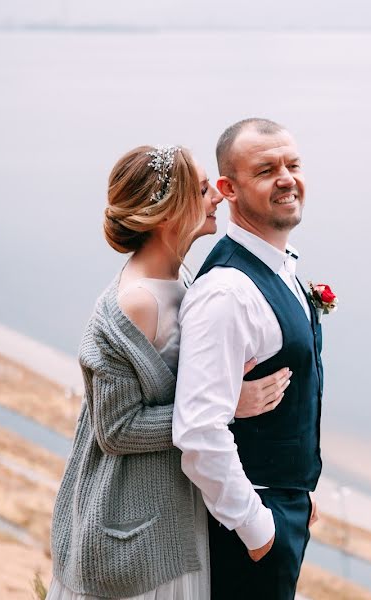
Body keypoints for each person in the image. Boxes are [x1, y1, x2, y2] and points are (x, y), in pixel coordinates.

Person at [48, 144, 291, 600]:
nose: (216, 196)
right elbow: (115, 430)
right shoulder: (136, 303)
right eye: (202, 190)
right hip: (134, 530)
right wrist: (229, 405)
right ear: (166, 214)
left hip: (171, 515)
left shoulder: (179, 279)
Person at [173, 118, 325, 600]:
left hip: (284, 505)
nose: (286, 178)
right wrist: (259, 530)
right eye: (266, 170)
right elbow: (199, 431)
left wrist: (299, 491)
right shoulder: (227, 293)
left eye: (293, 164)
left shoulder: (282, 266)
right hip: (246, 533)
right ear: (228, 189)